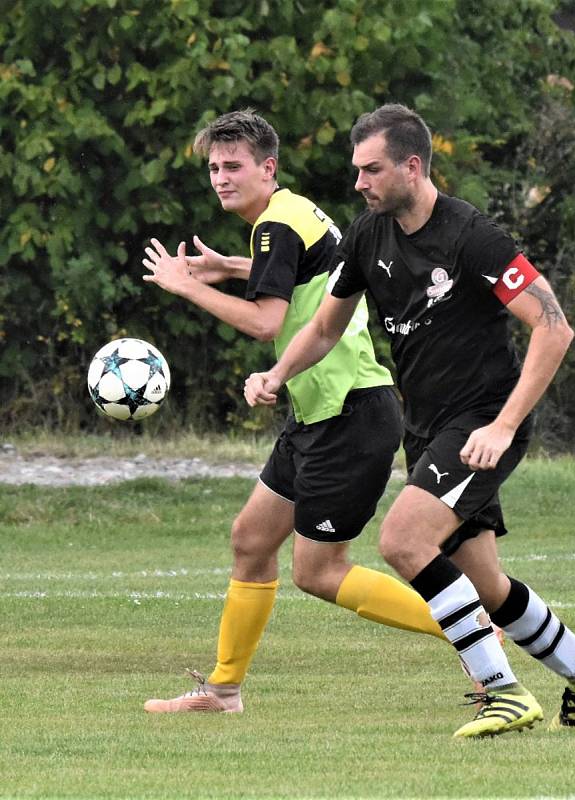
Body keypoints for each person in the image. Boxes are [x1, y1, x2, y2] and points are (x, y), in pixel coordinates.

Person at [245, 103, 575, 738]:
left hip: (481, 424)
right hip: (428, 428)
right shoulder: (368, 234)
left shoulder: (474, 237)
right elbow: (324, 325)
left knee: (402, 540)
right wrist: (278, 375)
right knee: (488, 585)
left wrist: (502, 426)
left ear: (413, 166)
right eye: (356, 170)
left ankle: (502, 690)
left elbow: (554, 330)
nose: (359, 183)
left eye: (372, 170)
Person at [140, 109, 450, 714]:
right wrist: (228, 268)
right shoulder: (294, 213)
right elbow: (318, 270)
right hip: (319, 412)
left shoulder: (273, 227)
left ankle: (471, 628)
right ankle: (223, 691)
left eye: (234, 166)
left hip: (351, 412)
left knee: (319, 571)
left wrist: (186, 285)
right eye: (213, 168)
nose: (221, 178)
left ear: (268, 168)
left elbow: (265, 323)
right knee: (251, 540)